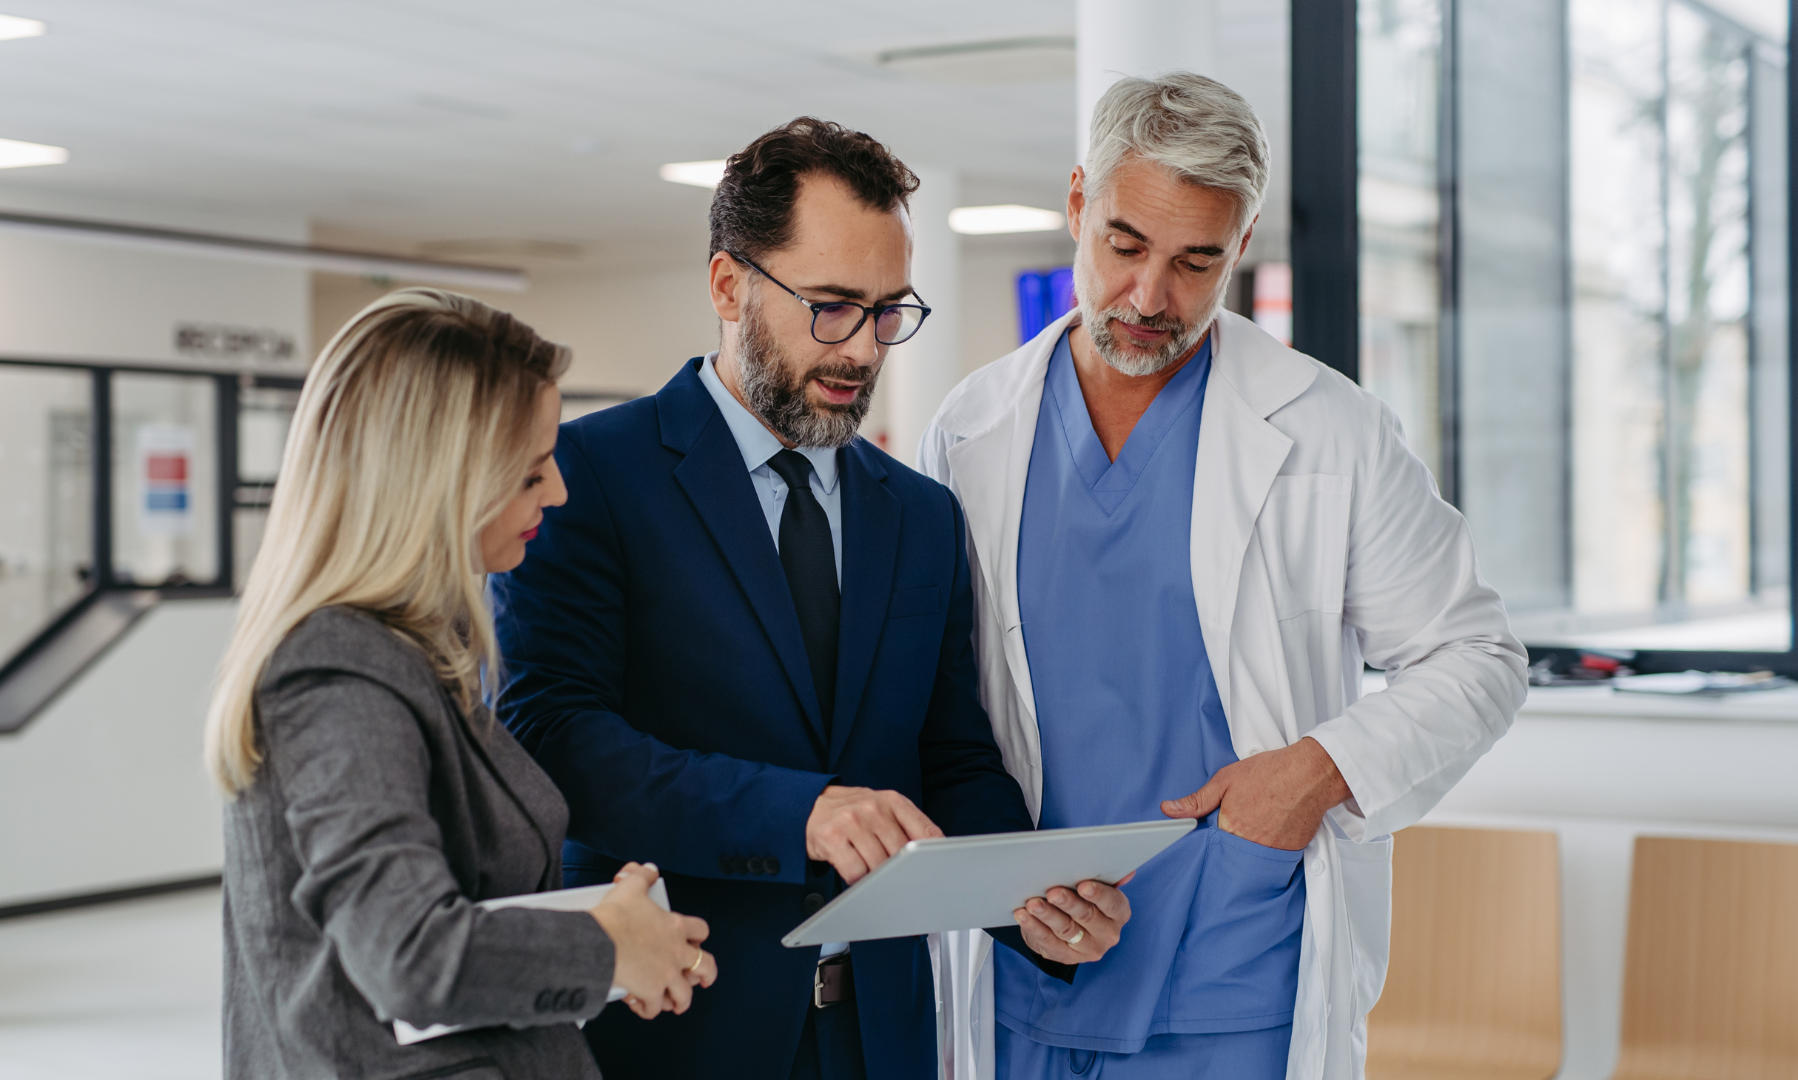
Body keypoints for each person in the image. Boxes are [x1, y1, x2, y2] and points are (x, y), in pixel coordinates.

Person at [490, 117, 1132, 1080]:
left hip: (878, 1036)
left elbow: (949, 756)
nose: (865, 350)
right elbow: (552, 735)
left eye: (887, 311)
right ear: (728, 284)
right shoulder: (588, 473)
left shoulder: (917, 513)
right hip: (675, 1024)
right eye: (831, 306)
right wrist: (797, 812)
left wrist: (1030, 898)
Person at [920, 73, 1529, 1079]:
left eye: (1197, 261)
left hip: (1234, 967)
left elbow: (1481, 656)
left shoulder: (1330, 429)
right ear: (1078, 204)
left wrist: (1316, 772)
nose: (1152, 297)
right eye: (1124, 246)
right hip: (1030, 962)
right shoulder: (972, 427)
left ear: (1240, 248)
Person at [208, 289, 717, 1080]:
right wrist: (606, 945)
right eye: (528, 472)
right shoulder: (337, 672)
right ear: (437, 480)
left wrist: (618, 944)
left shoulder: (416, 649)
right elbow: (407, 954)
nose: (557, 493)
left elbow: (445, 906)